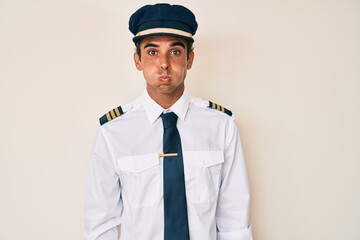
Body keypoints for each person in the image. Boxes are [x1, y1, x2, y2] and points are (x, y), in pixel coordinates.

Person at [85, 3, 253, 240]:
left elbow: (234, 221)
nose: (164, 63)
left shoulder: (221, 126)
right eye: (152, 52)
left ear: (190, 59)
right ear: (138, 60)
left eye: (175, 51)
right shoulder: (113, 132)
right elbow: (101, 225)